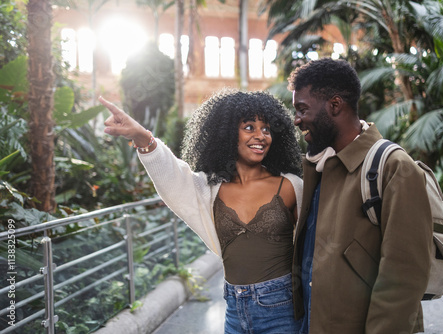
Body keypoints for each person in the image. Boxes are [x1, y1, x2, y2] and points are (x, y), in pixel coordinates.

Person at [99, 89, 304, 333]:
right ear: (228, 134)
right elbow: (173, 177)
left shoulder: (292, 185)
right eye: (249, 127)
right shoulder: (210, 189)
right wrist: (142, 137)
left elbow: (313, 248)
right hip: (235, 311)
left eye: (266, 129)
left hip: (282, 308)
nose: (260, 136)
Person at [288, 57, 433, 333]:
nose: (297, 120)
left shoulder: (395, 168)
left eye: (302, 109)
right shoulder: (319, 165)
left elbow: (403, 279)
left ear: (334, 105)